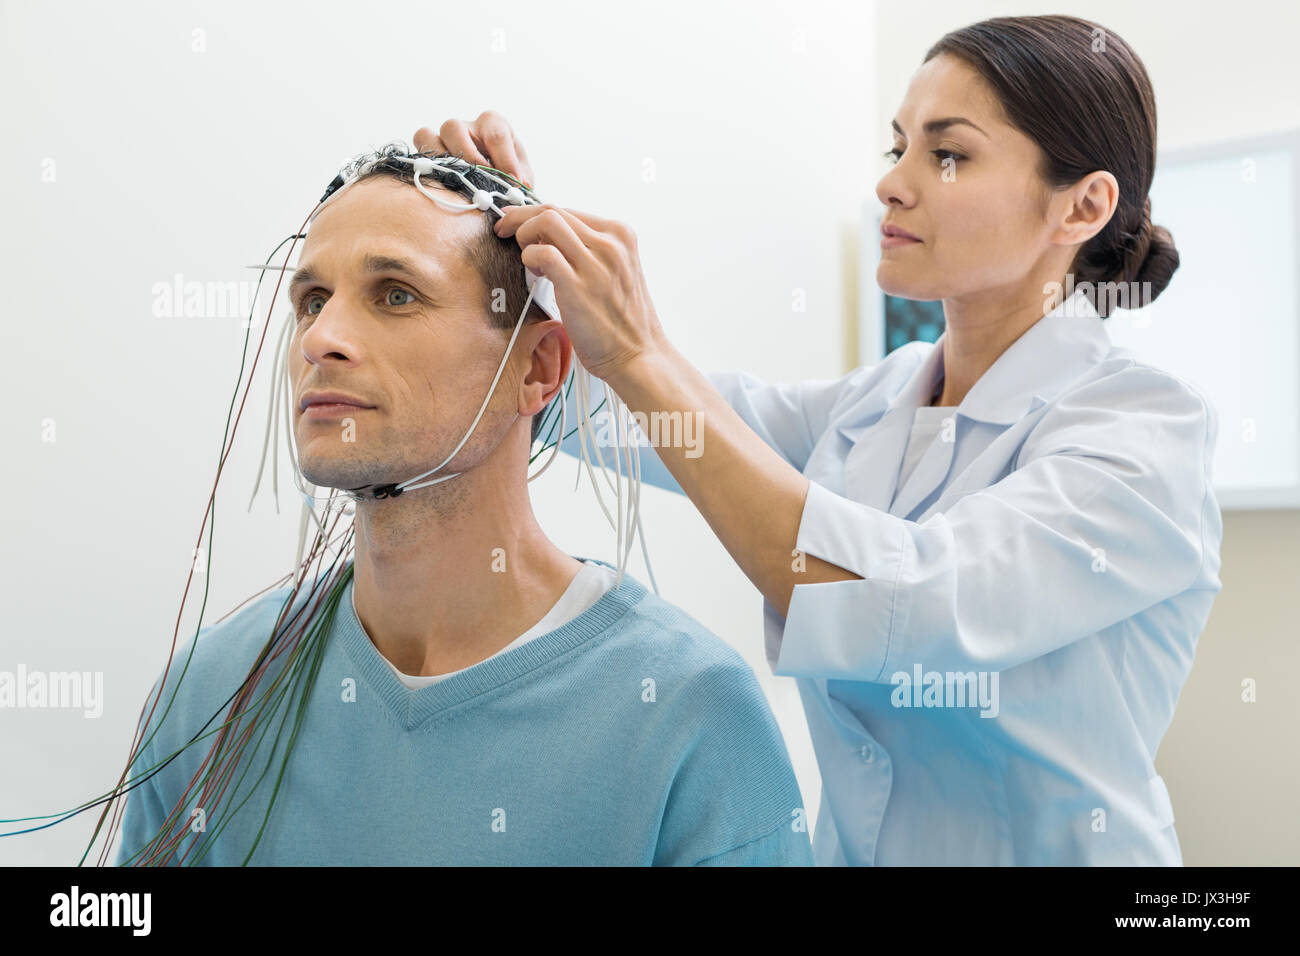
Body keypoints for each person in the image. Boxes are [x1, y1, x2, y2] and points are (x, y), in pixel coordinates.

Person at [425, 13, 1224, 865]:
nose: (893, 184)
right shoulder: (875, 402)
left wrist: (639, 348)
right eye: (898, 149)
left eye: (947, 154)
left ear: (1084, 204)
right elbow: (621, 416)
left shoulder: (1146, 432)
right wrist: (507, 241)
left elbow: (906, 605)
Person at [115, 149, 813, 866]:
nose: (320, 339)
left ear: (538, 368)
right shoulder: (211, 693)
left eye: (394, 295)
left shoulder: (687, 716)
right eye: (313, 300)